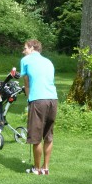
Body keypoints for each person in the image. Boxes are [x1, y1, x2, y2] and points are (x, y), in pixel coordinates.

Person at [20, 39, 58, 175]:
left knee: (36, 137)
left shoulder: (26, 60)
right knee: (48, 135)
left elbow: (27, 83)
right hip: (53, 99)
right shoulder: (48, 61)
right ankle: (45, 168)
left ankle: (36, 169)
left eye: (25, 48)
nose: (23, 51)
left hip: (38, 100)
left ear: (31, 48)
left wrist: (29, 99)